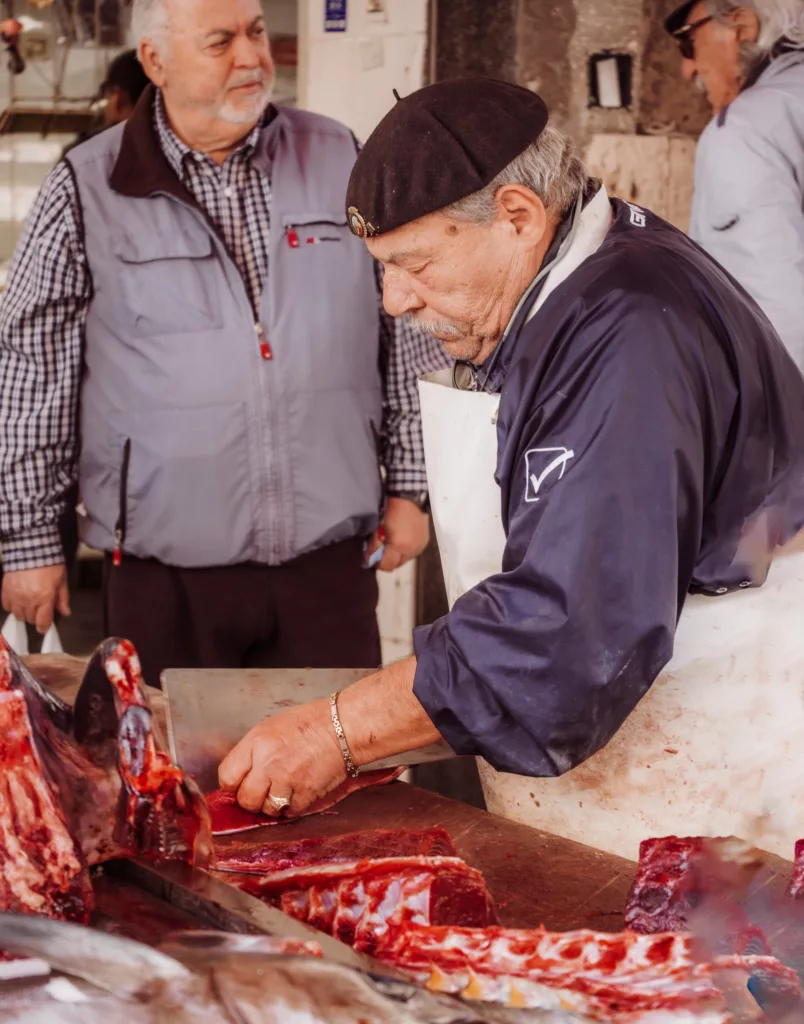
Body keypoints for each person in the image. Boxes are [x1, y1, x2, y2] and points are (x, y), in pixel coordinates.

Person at [218, 80, 804, 847]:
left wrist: (342, 730)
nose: (394, 300)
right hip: (641, 773)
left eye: (414, 263)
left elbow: (564, 632)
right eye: (382, 269)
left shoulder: (626, 334)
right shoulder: (577, 279)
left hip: (713, 795)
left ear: (518, 217)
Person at [0, 0, 447, 682]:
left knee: (340, 781)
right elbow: (32, 372)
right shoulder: (86, 186)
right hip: (162, 573)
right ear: (156, 61)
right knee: (172, 781)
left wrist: (412, 487)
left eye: (257, 32)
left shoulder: (341, 153)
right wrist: (29, 542)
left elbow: (410, 327)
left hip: (326, 565)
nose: (251, 57)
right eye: (220, 41)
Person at [665, 0, 804, 367]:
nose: (687, 68)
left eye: (688, 40)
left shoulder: (746, 126)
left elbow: (772, 303)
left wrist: (776, 417)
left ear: (740, 24)